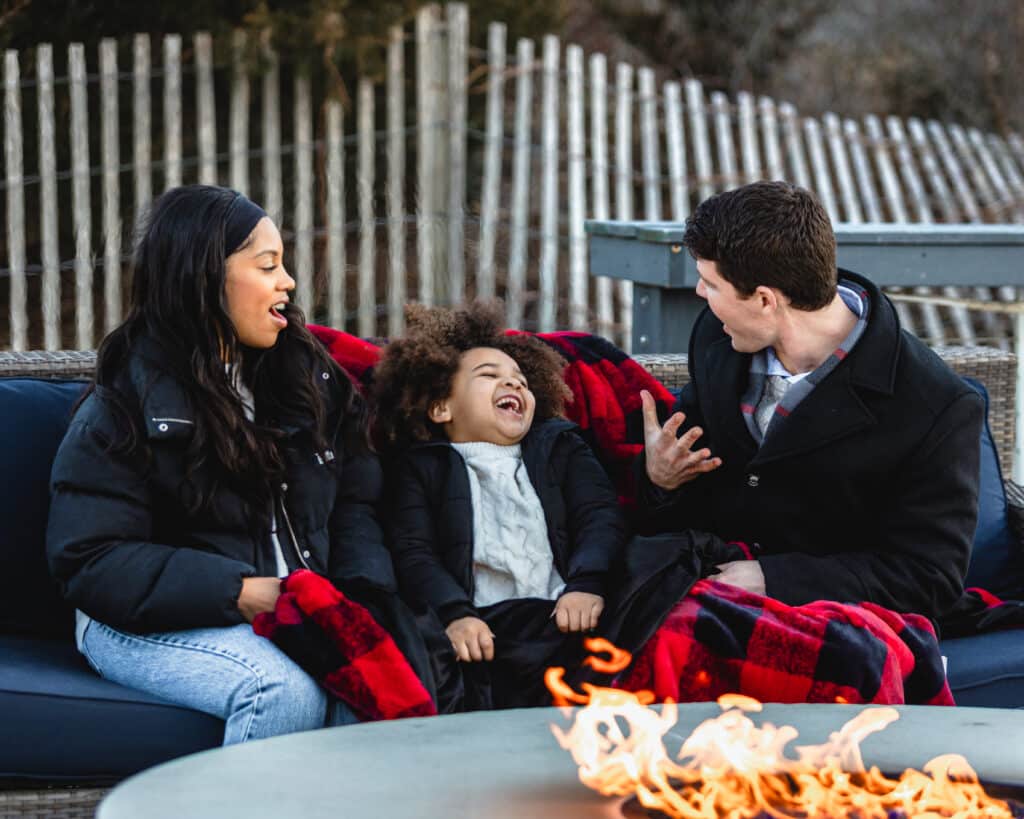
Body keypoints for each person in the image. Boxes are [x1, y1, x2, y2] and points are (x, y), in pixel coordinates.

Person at [46, 184, 409, 744]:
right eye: (268, 267)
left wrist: (358, 596)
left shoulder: (309, 380)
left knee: (367, 698)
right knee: (280, 692)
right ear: (204, 279)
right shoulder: (124, 409)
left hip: (289, 608)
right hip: (142, 619)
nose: (287, 283)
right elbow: (92, 559)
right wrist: (242, 591)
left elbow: (355, 502)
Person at [636, 180, 984, 623]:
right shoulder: (716, 339)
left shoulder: (937, 408)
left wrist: (774, 578)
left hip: (838, 631)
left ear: (765, 299)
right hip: (704, 599)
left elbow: (928, 576)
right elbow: (694, 487)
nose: (701, 296)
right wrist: (660, 479)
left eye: (710, 283)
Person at [372, 302, 628, 710]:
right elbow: (413, 551)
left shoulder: (559, 445)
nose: (513, 385)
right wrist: (454, 614)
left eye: (522, 380)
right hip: (482, 629)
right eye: (489, 376)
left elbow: (599, 516)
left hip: (567, 615)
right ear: (442, 407)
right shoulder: (421, 467)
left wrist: (587, 583)